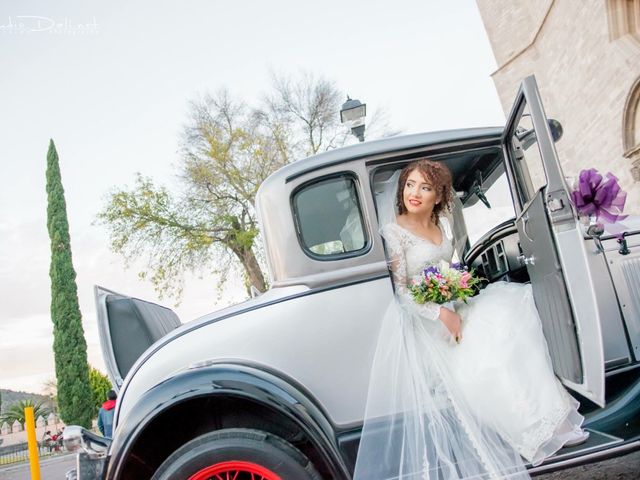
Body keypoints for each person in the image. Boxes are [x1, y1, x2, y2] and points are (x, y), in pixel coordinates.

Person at [353, 160, 587, 480]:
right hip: (426, 325)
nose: (415, 193)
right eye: (410, 185)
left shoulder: (440, 226)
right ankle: (532, 430)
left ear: (438, 195)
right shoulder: (394, 232)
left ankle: (552, 422)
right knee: (487, 356)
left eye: (425, 187)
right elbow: (402, 293)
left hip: (454, 306)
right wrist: (440, 313)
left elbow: (449, 269)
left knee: (511, 313)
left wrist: (456, 291)